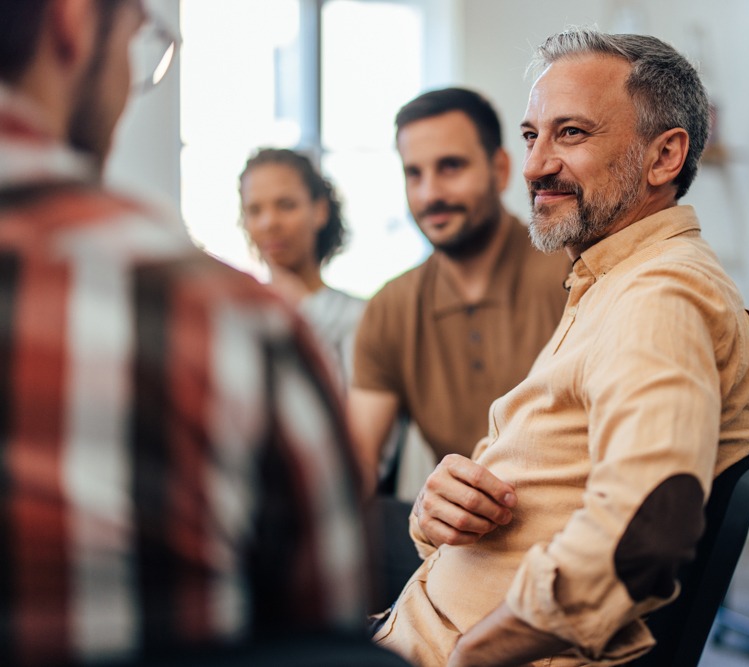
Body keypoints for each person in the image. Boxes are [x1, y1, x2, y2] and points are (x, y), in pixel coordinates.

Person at [373, 28, 749, 667]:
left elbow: (647, 529)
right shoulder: (608, 281)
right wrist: (437, 507)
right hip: (416, 628)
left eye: (572, 134)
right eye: (533, 135)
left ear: (664, 157)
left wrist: (475, 653)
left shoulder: (659, 296)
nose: (534, 165)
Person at [0, 1, 369, 664]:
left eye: (286, 203)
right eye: (140, 40)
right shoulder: (225, 321)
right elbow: (328, 628)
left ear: (320, 209)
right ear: (73, 21)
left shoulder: (334, 315)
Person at [349, 87, 570, 490]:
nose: (429, 193)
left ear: (500, 170)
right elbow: (356, 464)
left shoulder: (573, 277)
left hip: (570, 529)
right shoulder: (389, 308)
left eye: (450, 167)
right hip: (452, 537)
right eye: (414, 174)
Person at [239, 147, 366, 383]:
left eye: (286, 205)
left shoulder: (360, 318)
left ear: (319, 211)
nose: (269, 222)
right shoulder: (237, 317)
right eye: (255, 210)